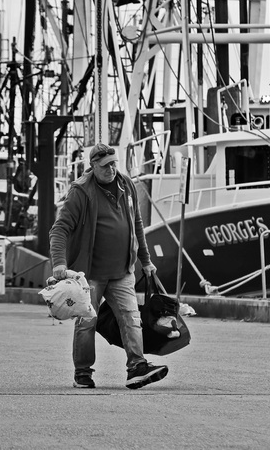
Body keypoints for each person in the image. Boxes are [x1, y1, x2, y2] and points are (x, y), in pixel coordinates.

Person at [49, 143, 168, 390]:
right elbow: (59, 229)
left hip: (122, 271)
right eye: (105, 166)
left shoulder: (126, 184)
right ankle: (83, 373)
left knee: (131, 318)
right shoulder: (80, 191)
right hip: (89, 274)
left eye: (114, 163)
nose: (112, 169)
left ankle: (137, 367)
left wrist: (145, 261)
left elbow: (136, 224)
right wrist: (59, 264)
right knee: (87, 322)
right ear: (93, 166)